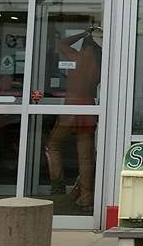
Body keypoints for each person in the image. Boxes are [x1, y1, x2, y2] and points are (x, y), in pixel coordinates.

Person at [44, 25, 102, 211]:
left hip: (71, 107)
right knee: (85, 158)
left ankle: (57, 187)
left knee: (52, 145)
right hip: (89, 109)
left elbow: (62, 43)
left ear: (84, 45)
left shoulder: (76, 57)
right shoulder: (100, 65)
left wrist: (83, 33)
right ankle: (86, 197)